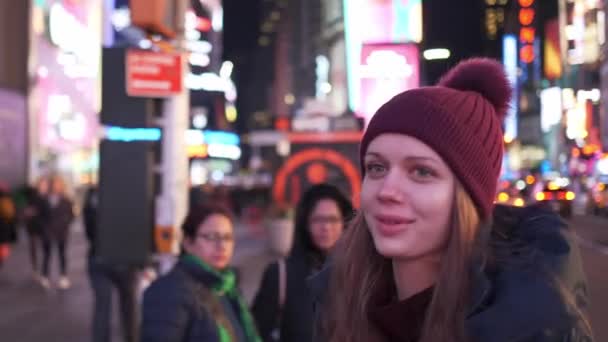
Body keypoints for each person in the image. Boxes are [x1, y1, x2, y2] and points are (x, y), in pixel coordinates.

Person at [312, 58, 593, 342]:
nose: (387, 190)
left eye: (421, 172)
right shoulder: (334, 304)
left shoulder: (535, 325)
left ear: (468, 196)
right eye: (376, 167)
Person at [141, 204, 261, 342]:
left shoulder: (227, 288)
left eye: (227, 237)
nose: (221, 246)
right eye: (211, 237)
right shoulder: (169, 291)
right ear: (188, 243)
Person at [252, 184, 353, 342]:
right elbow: (256, 333)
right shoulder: (280, 275)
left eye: (333, 219)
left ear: (344, 224)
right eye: (318, 219)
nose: (326, 227)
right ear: (305, 224)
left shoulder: (358, 275)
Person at [84, 185, 139, 342]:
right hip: (126, 257)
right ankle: (131, 338)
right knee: (129, 306)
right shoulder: (132, 191)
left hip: (98, 255)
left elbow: (89, 229)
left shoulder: (94, 194)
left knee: (103, 306)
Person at [40, 176, 74, 289]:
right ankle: (45, 276)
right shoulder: (44, 199)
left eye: (58, 184)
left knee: (62, 254)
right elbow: (40, 215)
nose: (56, 187)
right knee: (46, 255)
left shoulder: (66, 200)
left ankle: (63, 276)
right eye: (54, 184)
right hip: (47, 231)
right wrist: (43, 227)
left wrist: (64, 224)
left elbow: (71, 215)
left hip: (61, 232)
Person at [22, 178, 51, 278]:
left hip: (46, 226)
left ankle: (44, 269)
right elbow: (27, 210)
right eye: (42, 185)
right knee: (34, 248)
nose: (44, 187)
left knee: (46, 249)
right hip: (34, 227)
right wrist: (30, 212)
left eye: (45, 185)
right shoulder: (33, 197)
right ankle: (35, 268)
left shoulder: (49, 197)